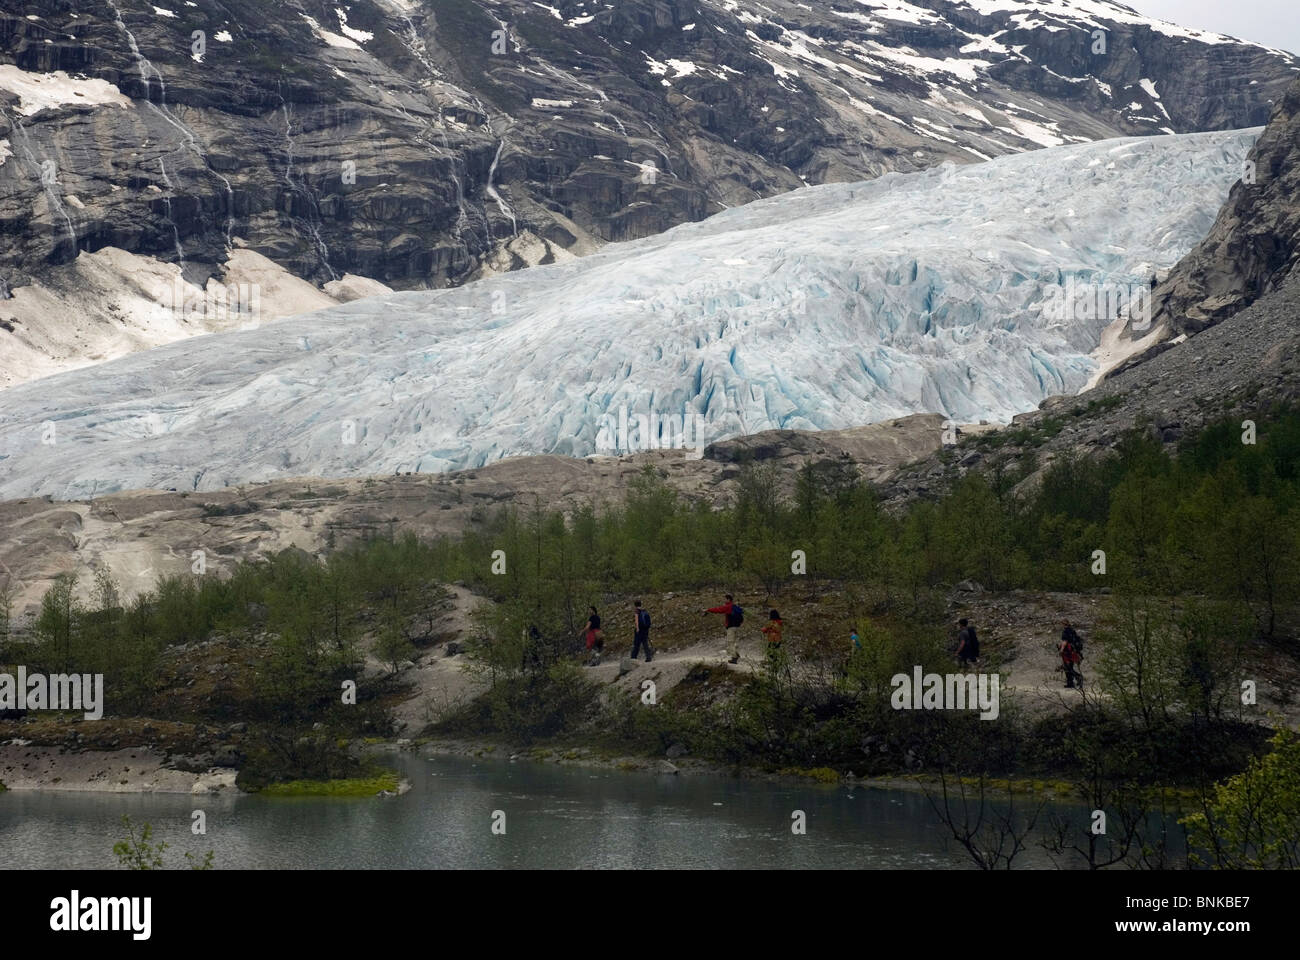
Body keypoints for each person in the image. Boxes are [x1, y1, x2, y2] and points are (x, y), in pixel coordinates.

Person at [705, 594, 744, 664]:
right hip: (736, 626)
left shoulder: (728, 606)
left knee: (730, 642)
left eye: (725, 599)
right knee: (733, 641)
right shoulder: (734, 606)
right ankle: (736, 654)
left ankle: (734, 657)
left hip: (731, 627)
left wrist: (709, 610)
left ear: (728, 599)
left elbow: (719, 609)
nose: (724, 600)